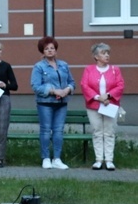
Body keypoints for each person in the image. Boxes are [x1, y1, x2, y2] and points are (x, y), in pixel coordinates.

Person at [30, 36, 76, 170]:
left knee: (58, 131)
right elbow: (35, 86)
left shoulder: (64, 65)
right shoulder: (39, 67)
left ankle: (57, 158)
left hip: (61, 103)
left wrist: (67, 90)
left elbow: (72, 83)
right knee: (45, 130)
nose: (50, 51)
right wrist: (53, 91)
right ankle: (45, 158)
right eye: (46, 49)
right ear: (42, 52)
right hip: (45, 103)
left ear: (56, 50)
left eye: (52, 48)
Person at [80, 43, 124, 171]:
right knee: (97, 131)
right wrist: (98, 97)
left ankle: (109, 160)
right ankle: (98, 159)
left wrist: (108, 96)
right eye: (103, 53)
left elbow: (120, 85)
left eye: (108, 53)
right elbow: (84, 85)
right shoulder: (89, 69)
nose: (106, 55)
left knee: (109, 132)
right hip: (94, 105)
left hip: (110, 105)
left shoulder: (115, 69)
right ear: (95, 56)